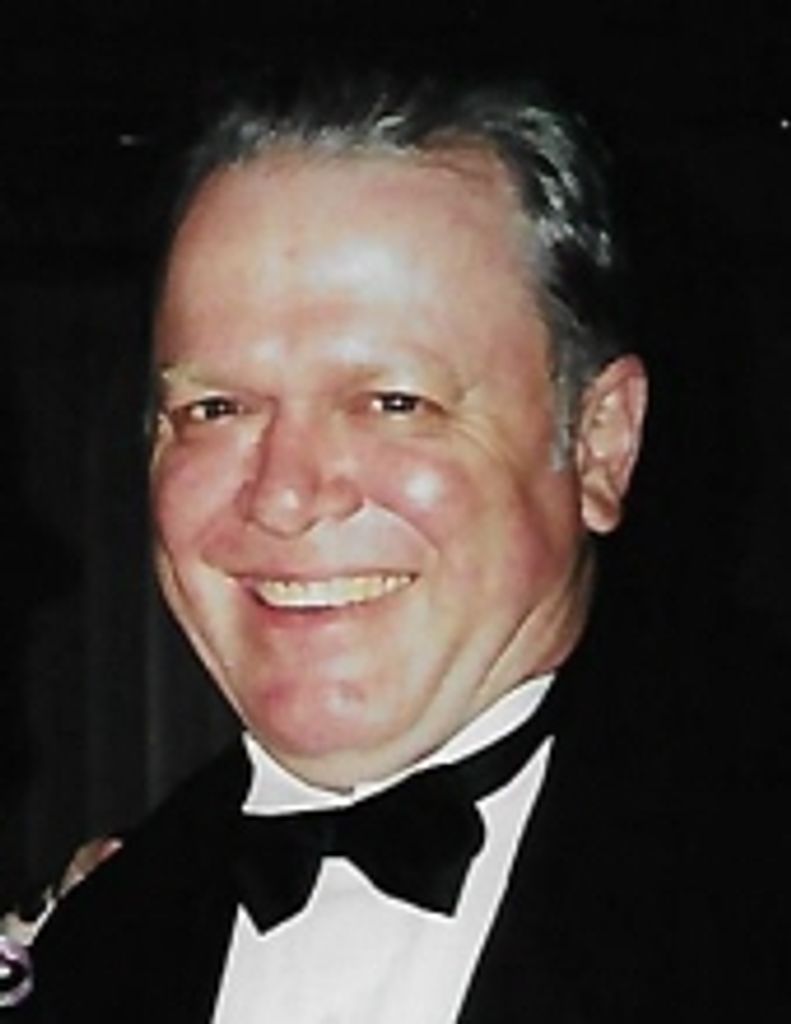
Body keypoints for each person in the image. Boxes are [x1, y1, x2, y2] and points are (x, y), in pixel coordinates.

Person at [19, 70, 787, 1022]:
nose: (285, 496)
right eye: (216, 409)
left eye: (393, 401)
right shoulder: (96, 943)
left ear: (598, 444)